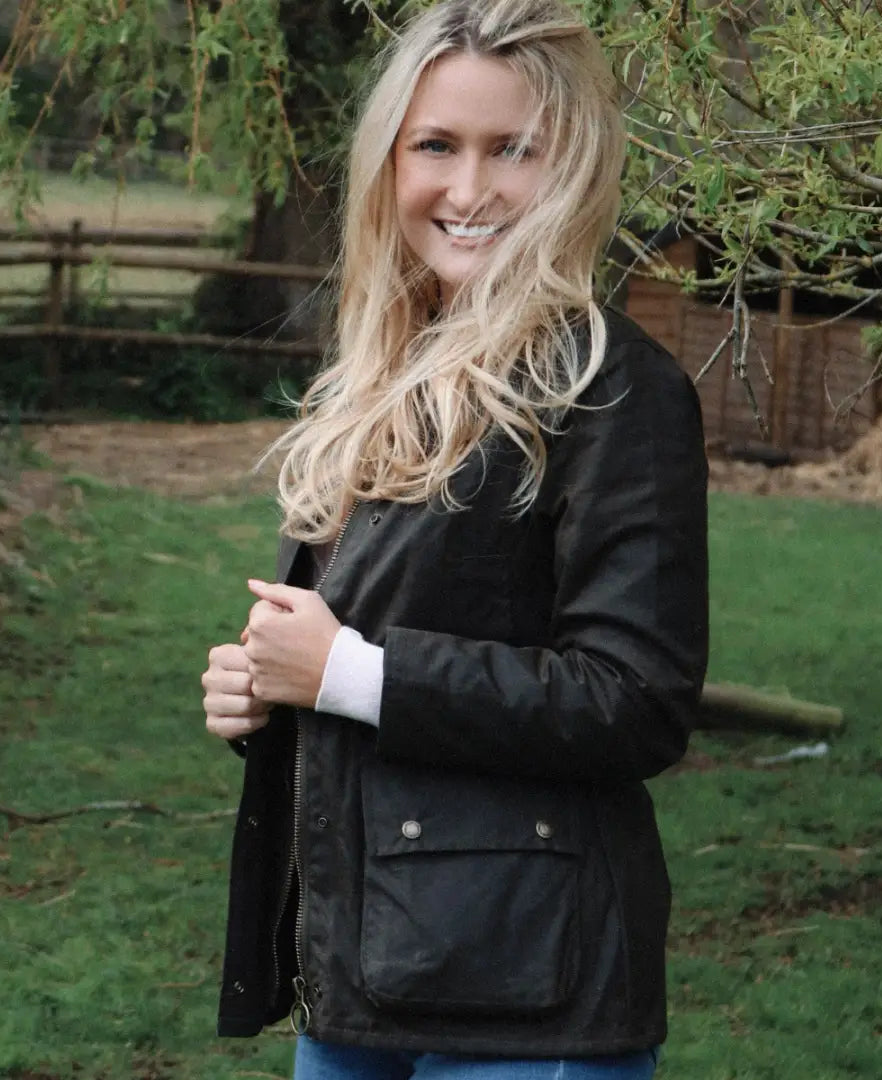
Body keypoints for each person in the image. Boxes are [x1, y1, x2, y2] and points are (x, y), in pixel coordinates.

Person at [201, 0, 709, 1076]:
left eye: (511, 150)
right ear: (390, 161)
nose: (469, 190)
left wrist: (349, 673)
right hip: (363, 973)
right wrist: (266, 690)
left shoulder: (613, 388)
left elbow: (636, 700)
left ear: (570, 164)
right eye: (436, 145)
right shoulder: (382, 377)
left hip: (532, 993)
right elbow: (370, 651)